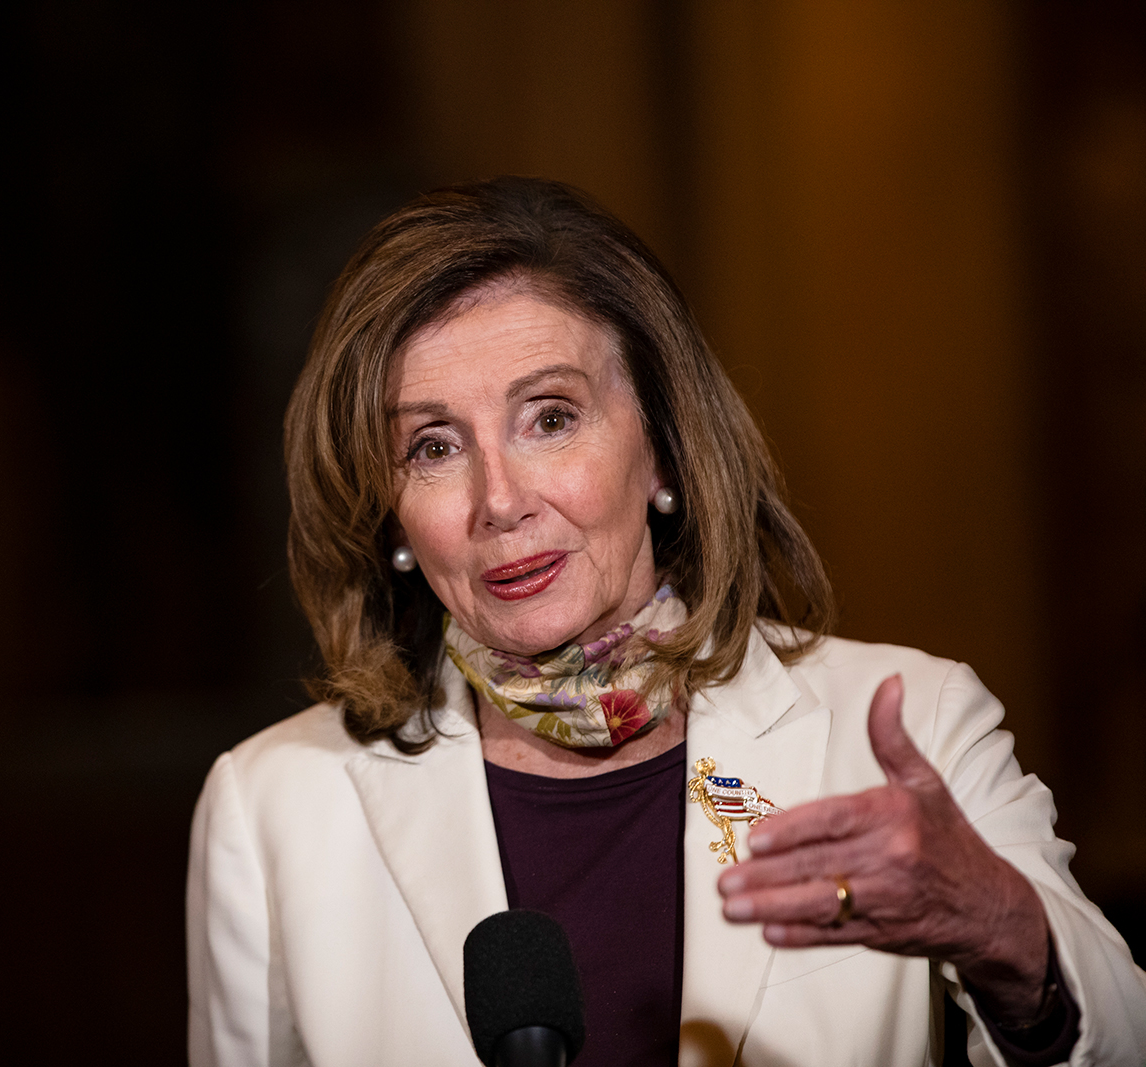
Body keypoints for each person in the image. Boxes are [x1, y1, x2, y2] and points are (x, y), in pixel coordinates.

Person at [186, 177, 1146, 1066]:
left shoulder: (904, 724)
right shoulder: (274, 809)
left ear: (663, 451)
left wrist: (1005, 935)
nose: (499, 500)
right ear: (390, 518)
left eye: (550, 417)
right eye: (433, 446)